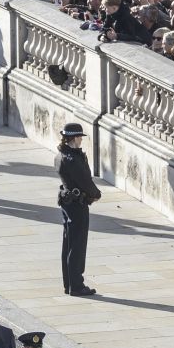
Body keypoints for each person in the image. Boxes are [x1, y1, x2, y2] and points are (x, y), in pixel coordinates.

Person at [55, 122, 100, 296]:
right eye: (80, 136)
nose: (81, 139)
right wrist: (96, 194)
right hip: (77, 204)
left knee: (68, 244)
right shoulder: (72, 159)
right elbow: (85, 182)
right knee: (77, 246)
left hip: (67, 203)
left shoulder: (61, 155)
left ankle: (69, 284)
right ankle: (77, 285)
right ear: (74, 138)